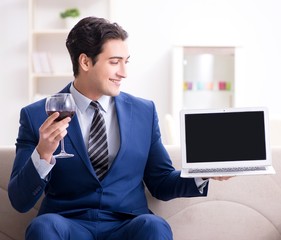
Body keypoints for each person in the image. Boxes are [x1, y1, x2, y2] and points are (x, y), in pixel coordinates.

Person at [8, 16, 229, 240]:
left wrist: (203, 173)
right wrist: (43, 153)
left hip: (127, 225)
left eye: (126, 61)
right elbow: (20, 201)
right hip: (67, 224)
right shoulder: (36, 115)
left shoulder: (144, 112)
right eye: (114, 62)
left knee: (154, 226)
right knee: (43, 227)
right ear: (85, 62)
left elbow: (161, 182)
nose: (124, 72)